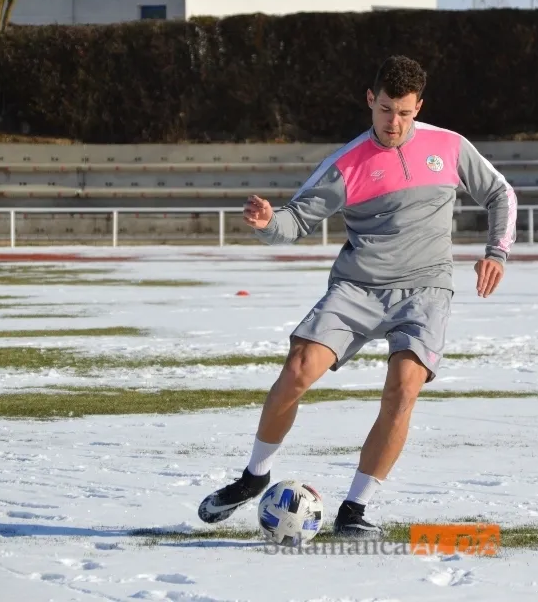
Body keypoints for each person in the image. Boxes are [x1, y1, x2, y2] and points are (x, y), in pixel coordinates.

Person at [197, 55, 518, 539]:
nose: (395, 123)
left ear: (419, 107)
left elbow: (501, 194)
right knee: (299, 367)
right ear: (371, 100)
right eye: (386, 109)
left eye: (406, 113)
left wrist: (497, 251)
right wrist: (267, 223)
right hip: (357, 287)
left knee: (403, 387)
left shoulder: (449, 147)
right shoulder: (344, 164)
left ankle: (355, 509)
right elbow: (294, 221)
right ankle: (254, 476)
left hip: (426, 289)